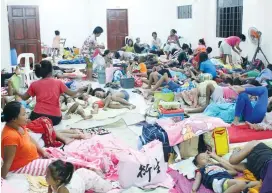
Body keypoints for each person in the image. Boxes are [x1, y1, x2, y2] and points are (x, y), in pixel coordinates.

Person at [15, 60, 87, 126]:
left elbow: (24, 97)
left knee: (30, 115)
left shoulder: (34, 84)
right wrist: (79, 90)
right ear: (51, 71)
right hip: (55, 118)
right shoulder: (58, 82)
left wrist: (16, 91)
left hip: (37, 116)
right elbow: (72, 94)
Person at [1, 101, 51, 178]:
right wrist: (2, 180)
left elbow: (29, 138)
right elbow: (7, 163)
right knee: (58, 166)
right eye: (24, 114)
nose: (27, 116)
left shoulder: (19, 125)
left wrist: (43, 151)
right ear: (14, 118)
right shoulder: (10, 137)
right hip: (21, 166)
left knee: (57, 155)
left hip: (32, 157)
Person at [192, 151, 260, 193]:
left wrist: (221, 163)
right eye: (203, 158)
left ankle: (243, 190)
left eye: (208, 157)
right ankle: (242, 188)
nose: (207, 159)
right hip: (218, 182)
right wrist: (194, 190)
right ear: (198, 165)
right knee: (241, 184)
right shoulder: (202, 170)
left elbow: (234, 172)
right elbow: (197, 179)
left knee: (259, 183)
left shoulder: (219, 168)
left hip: (228, 183)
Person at [46, 160, 112, 193]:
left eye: (47, 176)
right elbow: (50, 189)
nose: (45, 176)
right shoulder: (53, 182)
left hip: (87, 178)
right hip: (78, 175)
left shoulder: (64, 190)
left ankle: (96, 172)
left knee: (109, 188)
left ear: (58, 181)